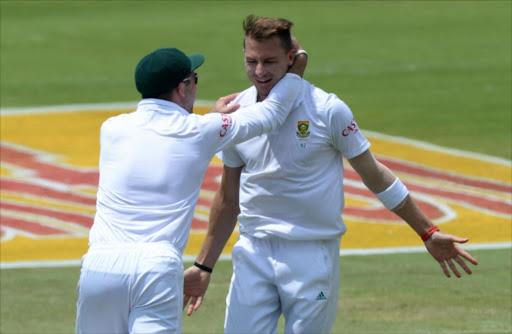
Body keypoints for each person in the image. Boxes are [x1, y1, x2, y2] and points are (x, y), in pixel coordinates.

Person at [183, 14, 479, 334]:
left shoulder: (327, 110)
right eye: (251, 61)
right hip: (253, 252)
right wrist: (203, 265)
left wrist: (427, 232)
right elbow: (228, 198)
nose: (259, 71)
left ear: (291, 59)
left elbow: (374, 174)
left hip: (312, 257)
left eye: (269, 61)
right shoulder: (236, 112)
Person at [75, 45, 307, 334]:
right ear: (182, 89)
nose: (196, 86)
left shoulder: (111, 128)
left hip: (99, 267)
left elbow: (167, 144)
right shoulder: (200, 131)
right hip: (154, 267)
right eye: (194, 78)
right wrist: (297, 65)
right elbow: (272, 113)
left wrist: (208, 121)